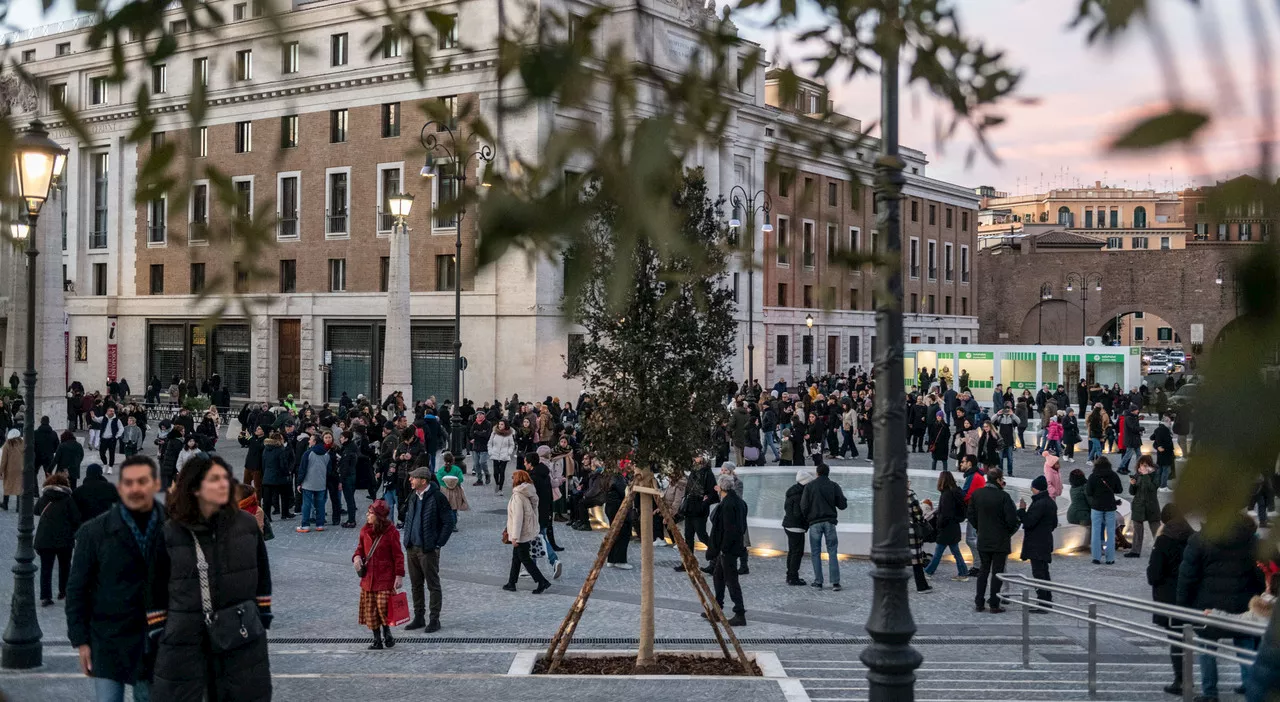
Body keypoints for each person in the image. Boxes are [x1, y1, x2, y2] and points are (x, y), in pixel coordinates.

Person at [147, 454, 272, 701]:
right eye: (214, 479)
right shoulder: (169, 532)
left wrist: (261, 616)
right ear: (194, 488)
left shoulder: (246, 524)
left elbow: (262, 575)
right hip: (184, 642)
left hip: (242, 639)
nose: (224, 484)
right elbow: (153, 587)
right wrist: (161, 631)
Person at [65, 455, 166, 702]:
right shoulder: (93, 533)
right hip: (108, 640)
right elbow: (77, 589)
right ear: (120, 488)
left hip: (157, 643)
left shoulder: (175, 528)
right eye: (129, 482)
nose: (135, 489)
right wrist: (81, 641)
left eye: (142, 481)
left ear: (155, 484)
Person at [1176, 513, 1265, 702]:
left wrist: (1182, 606)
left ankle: (1210, 693)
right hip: (1243, 604)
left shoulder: (1200, 540)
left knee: (1207, 650)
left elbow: (1187, 576)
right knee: (1246, 648)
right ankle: (1252, 691)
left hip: (1207, 606)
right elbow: (1261, 574)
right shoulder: (1251, 541)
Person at [401, 465, 456, 633]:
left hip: (428, 549)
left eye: (413, 477)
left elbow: (448, 522)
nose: (410, 480)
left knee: (433, 584)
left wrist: (438, 543)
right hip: (412, 547)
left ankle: (434, 619)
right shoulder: (413, 495)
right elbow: (406, 514)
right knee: (416, 584)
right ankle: (419, 617)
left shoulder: (437, 497)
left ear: (423, 481)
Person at [1147, 503, 1194, 696]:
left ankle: (1181, 680)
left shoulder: (1164, 540)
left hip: (1169, 597)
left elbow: (1154, 574)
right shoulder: (1194, 537)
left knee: (1176, 639)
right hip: (1190, 595)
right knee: (1189, 637)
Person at [353, 499, 405, 650]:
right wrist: (356, 558)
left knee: (383, 608)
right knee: (371, 610)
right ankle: (377, 639)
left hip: (385, 577)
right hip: (368, 578)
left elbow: (398, 555)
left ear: (378, 516)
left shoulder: (391, 532)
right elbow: (359, 550)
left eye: (370, 513)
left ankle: (387, 633)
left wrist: (399, 575)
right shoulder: (364, 531)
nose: (367, 516)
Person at [969, 468, 1020, 613]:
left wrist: (980, 528)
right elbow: (1012, 520)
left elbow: (971, 515)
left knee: (983, 571)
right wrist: (1006, 533)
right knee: (997, 573)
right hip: (1000, 541)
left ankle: (979, 601)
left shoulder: (977, 494)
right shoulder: (1003, 496)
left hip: (983, 538)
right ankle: (994, 603)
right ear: (998, 480)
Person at [705, 473, 748, 626]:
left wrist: (723, 548)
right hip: (731, 547)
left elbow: (729, 529)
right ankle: (717, 608)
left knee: (731, 580)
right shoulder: (739, 502)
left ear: (721, 487)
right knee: (718, 576)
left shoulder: (728, 504)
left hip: (727, 549)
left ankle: (739, 612)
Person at [35, 471, 81, 606]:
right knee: (65, 566)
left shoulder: (44, 498)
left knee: (46, 568)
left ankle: (45, 597)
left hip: (45, 539)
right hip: (64, 539)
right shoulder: (68, 499)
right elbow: (76, 518)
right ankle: (63, 591)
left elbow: (36, 511)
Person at [502, 469, 552, 593]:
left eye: (513, 477)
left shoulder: (518, 496)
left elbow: (518, 518)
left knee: (525, 559)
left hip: (521, 533)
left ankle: (542, 581)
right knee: (516, 558)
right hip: (527, 530)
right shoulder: (528, 493)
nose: (512, 480)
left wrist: (515, 537)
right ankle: (511, 582)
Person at [801, 462, 848, 591]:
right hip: (830, 521)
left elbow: (804, 506)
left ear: (817, 473)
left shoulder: (810, 487)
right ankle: (835, 582)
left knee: (815, 552)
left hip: (815, 522)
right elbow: (843, 505)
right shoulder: (833, 486)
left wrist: (808, 518)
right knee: (832, 551)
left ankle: (818, 581)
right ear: (828, 473)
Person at [1016, 475, 1059, 608]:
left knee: (1039, 573)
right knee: (1044, 572)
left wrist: (1022, 510)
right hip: (1044, 541)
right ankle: (1046, 599)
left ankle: (1042, 601)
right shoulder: (1050, 502)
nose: (1031, 489)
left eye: (1032, 487)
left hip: (1036, 543)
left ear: (1037, 489)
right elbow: (1054, 523)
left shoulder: (1040, 504)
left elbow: (1029, 522)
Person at [922, 470, 969, 581]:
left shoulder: (947, 495)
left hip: (946, 528)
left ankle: (928, 571)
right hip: (953, 526)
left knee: (939, 552)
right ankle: (963, 573)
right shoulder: (955, 492)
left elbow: (945, 513)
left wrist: (939, 525)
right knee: (955, 552)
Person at [675, 457, 717, 572]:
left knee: (702, 535)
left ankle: (716, 558)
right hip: (690, 508)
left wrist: (705, 502)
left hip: (699, 509)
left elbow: (712, 492)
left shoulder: (708, 473)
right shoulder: (694, 471)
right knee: (688, 536)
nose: (694, 458)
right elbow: (688, 489)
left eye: (697, 456)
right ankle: (688, 562)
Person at [1085, 456, 1122, 564]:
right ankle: (1110, 558)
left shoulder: (1093, 476)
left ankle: (1096, 557)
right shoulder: (1113, 475)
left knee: (1096, 532)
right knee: (1110, 532)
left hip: (1096, 506)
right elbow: (1119, 489)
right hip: (1110, 506)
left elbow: (1088, 492)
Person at [296, 432, 336, 533]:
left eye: (311, 439)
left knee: (306, 504)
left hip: (308, 483)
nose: (309, 441)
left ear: (314, 442)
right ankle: (320, 524)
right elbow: (329, 470)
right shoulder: (326, 454)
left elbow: (302, 469)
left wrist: (299, 482)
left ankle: (305, 525)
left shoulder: (308, 453)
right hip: (321, 483)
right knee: (320, 505)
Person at [1126, 455, 1161, 558]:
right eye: (1141, 464)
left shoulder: (1155, 474)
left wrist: (1146, 475)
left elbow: (1153, 488)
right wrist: (1132, 484)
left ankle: (1162, 549)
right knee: (1137, 529)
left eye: (1145, 465)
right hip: (1138, 505)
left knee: (1156, 529)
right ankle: (1135, 551)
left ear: (1149, 465)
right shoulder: (1138, 474)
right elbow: (1132, 492)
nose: (1143, 467)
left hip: (1151, 506)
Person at [782, 470, 812, 586]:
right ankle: (793, 577)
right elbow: (798, 513)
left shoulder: (792, 491)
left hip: (788, 524)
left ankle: (790, 575)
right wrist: (806, 520)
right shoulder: (801, 495)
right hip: (796, 527)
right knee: (797, 553)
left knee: (792, 552)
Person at [603, 465, 632, 570]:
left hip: (612, 508)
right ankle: (619, 560)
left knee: (614, 534)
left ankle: (612, 559)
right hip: (618, 509)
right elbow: (625, 493)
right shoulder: (617, 478)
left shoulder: (609, 476)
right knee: (623, 533)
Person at [260, 432, 293, 521]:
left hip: (267, 477)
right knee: (284, 496)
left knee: (267, 499)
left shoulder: (266, 449)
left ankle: (267, 516)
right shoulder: (280, 449)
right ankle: (285, 514)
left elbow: (263, 464)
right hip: (279, 477)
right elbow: (283, 464)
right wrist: (287, 473)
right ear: (279, 440)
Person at [907, 485, 933, 593]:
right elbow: (918, 515)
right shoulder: (910, 496)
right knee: (916, 559)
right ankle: (921, 586)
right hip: (912, 531)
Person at [488, 419, 516, 495]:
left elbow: (512, 445)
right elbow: (490, 443)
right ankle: (497, 483)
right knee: (496, 472)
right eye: (499, 424)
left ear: (505, 425)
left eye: (502, 424)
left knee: (502, 472)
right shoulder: (494, 433)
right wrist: (490, 451)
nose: (500, 426)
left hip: (504, 455)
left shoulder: (509, 434)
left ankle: (500, 489)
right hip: (495, 454)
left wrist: (509, 453)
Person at [1151, 414, 1176, 489]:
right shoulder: (1165, 430)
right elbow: (1167, 443)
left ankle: (1158, 484)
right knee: (1166, 470)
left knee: (1160, 469)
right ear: (1166, 422)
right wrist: (1160, 446)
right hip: (1166, 453)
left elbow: (1152, 438)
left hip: (1160, 454)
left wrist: (1158, 446)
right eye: (1169, 422)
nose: (1170, 423)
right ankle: (1163, 486)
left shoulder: (1158, 429)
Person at [1, 428, 22, 511]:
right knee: (18, 486)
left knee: (7, 486)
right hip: (20, 468)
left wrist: (1, 470)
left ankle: (5, 504)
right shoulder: (23, 443)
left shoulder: (7, 444)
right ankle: (18, 506)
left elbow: (3, 460)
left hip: (9, 469)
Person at [98, 407, 124, 471]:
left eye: (113, 411)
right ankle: (105, 464)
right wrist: (93, 417)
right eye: (110, 411)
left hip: (112, 439)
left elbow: (121, 428)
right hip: (104, 439)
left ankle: (110, 467)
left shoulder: (117, 420)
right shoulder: (103, 418)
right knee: (102, 453)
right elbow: (96, 419)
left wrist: (117, 436)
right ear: (107, 412)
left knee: (111, 454)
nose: (112, 412)